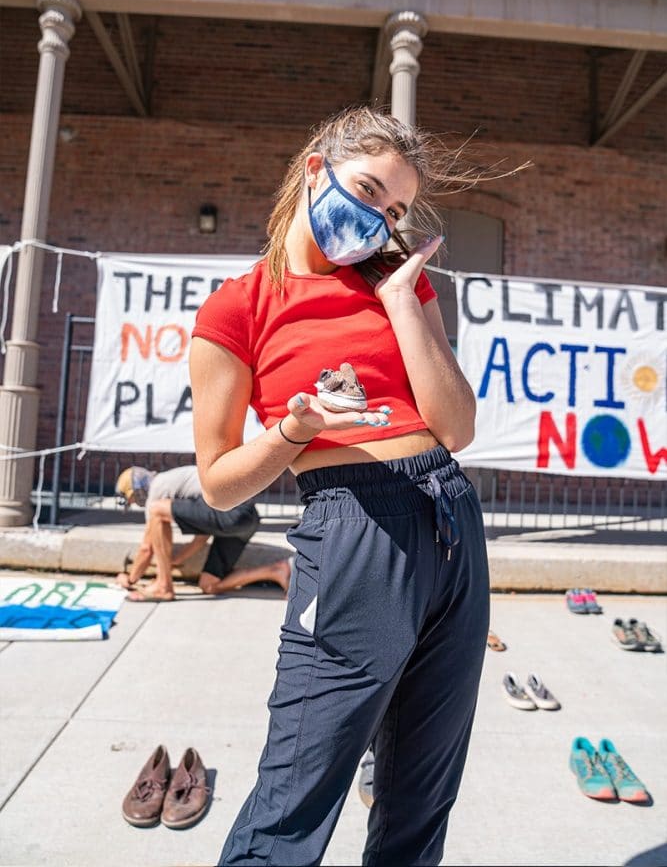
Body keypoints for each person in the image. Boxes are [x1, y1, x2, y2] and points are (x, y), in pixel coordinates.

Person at [189, 106, 513, 866]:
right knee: (296, 793)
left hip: (450, 515)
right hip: (352, 527)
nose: (376, 218)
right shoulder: (237, 308)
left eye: (393, 209)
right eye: (367, 191)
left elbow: (455, 427)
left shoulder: (396, 283)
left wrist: (402, 299)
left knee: (420, 795)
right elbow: (219, 482)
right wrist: (295, 428)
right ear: (314, 171)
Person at [114, 465, 291, 602]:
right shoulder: (175, 483)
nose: (137, 504)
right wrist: (176, 560)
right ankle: (276, 571)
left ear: (137, 491)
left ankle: (163, 585)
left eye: (133, 500)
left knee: (157, 510)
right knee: (209, 585)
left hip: (235, 512)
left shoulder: (157, 491)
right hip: (247, 518)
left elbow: (147, 548)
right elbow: (203, 535)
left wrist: (129, 579)